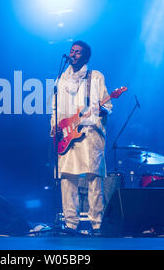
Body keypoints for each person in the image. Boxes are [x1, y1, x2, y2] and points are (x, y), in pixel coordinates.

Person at [51, 41, 112, 235]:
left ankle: (97, 224)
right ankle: (70, 223)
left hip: (89, 134)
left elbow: (108, 104)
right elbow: (56, 107)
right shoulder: (60, 79)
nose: (73, 54)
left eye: (78, 52)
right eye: (72, 51)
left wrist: (103, 110)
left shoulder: (95, 77)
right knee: (67, 179)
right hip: (67, 135)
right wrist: (55, 127)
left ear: (85, 57)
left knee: (94, 178)